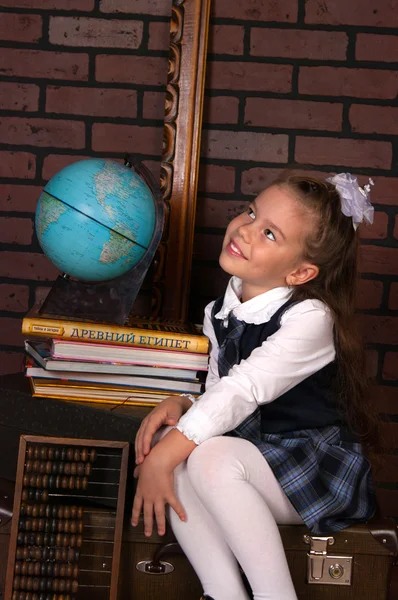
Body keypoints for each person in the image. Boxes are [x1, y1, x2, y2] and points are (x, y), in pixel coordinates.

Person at [131, 171, 378, 600]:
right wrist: (187, 402)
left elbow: (245, 389)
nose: (244, 230)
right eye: (251, 212)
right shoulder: (221, 311)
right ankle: (223, 593)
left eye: (268, 233)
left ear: (301, 272)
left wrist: (159, 461)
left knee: (205, 456)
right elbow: (219, 394)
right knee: (184, 443)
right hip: (252, 460)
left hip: (311, 468)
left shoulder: (311, 318)